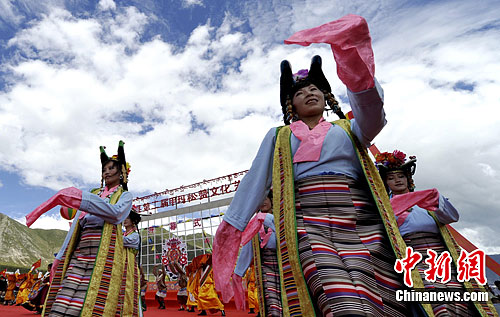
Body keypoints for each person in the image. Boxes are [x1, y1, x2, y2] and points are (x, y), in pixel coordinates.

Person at [214, 14, 411, 317]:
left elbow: (373, 113)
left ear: (327, 96)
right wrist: (231, 230)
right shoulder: (279, 136)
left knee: (377, 296)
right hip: (308, 222)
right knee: (335, 294)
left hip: (360, 218)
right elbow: (255, 181)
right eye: (300, 91)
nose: (309, 93)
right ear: (290, 105)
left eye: (315, 89)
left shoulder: (348, 129)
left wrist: (350, 58)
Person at [376, 150, 498, 316]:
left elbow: (453, 216)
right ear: (385, 182)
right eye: (391, 177)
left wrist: (435, 198)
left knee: (460, 297)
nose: (397, 180)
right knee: (433, 296)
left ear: (408, 178)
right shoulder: (386, 207)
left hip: (443, 257)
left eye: (401, 176)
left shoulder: (427, 201)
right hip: (414, 258)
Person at [25, 140, 137, 316]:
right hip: (81, 250)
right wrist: (60, 256)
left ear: (122, 172)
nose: (106, 172)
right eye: (104, 169)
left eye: (111, 168)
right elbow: (76, 226)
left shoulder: (124, 196)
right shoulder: (93, 194)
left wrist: (82, 200)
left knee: (88, 301)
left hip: (104, 253)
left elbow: (115, 214)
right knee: (64, 298)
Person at [233, 192, 280, 316]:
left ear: (271, 200)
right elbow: (247, 249)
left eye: (266, 198)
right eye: (260, 200)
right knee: (271, 300)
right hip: (266, 267)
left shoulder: (280, 217)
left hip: (284, 264)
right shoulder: (254, 224)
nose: (263, 202)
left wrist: (266, 218)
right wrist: (238, 272)